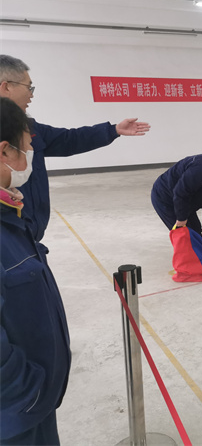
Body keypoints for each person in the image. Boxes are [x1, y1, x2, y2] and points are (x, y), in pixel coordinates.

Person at [0, 54, 151, 243]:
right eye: (28, 87)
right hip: (9, 236)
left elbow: (68, 139)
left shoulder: (28, 127)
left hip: (30, 236)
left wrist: (112, 130)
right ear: (6, 86)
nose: (31, 94)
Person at [0, 97, 70, 444]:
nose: (30, 156)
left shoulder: (9, 213)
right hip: (15, 415)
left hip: (32, 404)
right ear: (4, 151)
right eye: (27, 148)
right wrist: (28, 391)